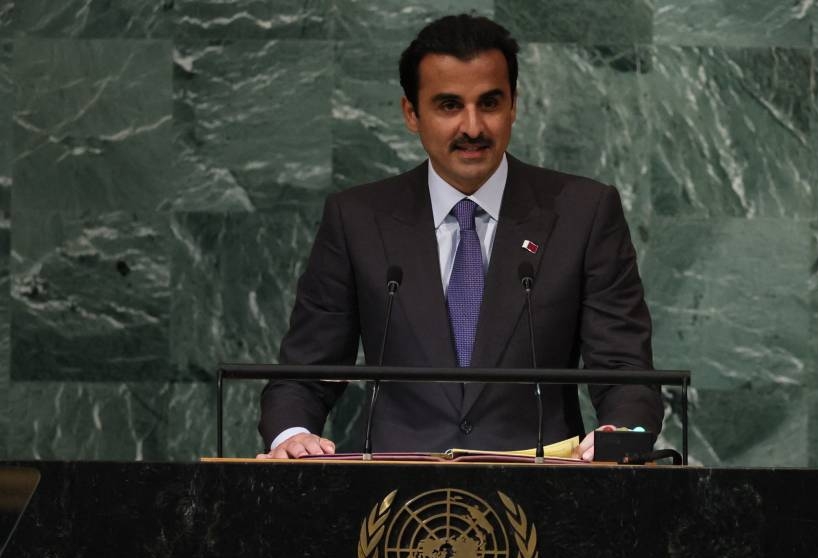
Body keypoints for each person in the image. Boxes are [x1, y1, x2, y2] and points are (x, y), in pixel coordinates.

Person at [257, 14, 662, 459]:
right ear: (411, 113)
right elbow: (304, 372)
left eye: (489, 103)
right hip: (393, 498)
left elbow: (624, 369)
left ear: (514, 105)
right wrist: (291, 435)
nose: (473, 128)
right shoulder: (357, 218)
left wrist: (617, 432)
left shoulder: (583, 212)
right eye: (449, 106)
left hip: (545, 492)